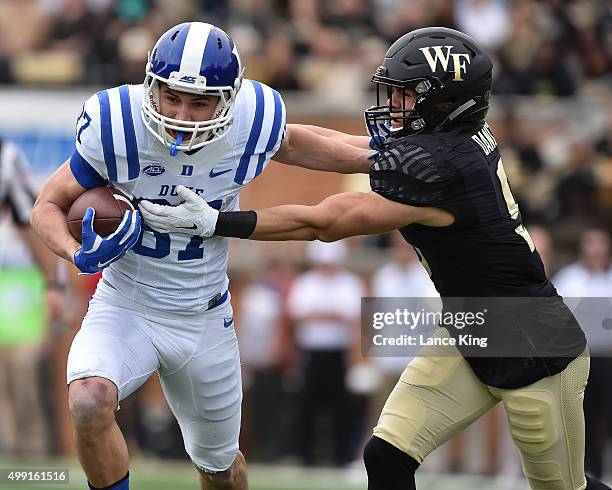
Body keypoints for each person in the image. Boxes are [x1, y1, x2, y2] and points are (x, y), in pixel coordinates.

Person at [139, 27, 612, 490]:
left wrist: (219, 221)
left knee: (561, 488)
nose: (394, 106)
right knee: (385, 456)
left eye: (406, 96)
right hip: (474, 326)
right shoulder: (450, 143)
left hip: (533, 346)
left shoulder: (440, 165)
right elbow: (349, 150)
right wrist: (253, 133)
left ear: (444, 100)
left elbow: (326, 222)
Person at [30, 22, 371, 490]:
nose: (182, 114)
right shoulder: (117, 125)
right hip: (126, 303)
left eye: (199, 102)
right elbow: (47, 205)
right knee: (89, 400)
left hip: (204, 316)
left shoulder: (252, 120)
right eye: (171, 97)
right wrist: (77, 254)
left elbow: (295, 142)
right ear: (151, 87)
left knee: (222, 472)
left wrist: (382, 156)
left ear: (228, 100)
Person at [0, 137, 63, 455]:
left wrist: (52, 284)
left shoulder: (5, 157)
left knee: (22, 372)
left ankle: (30, 455)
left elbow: (33, 221)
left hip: (16, 282)